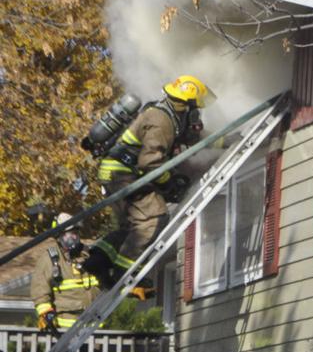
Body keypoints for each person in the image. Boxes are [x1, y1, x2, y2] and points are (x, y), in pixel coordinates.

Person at [83, 75, 211, 288]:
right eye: (196, 107)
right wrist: (169, 181)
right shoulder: (162, 121)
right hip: (122, 173)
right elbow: (149, 162)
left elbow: (194, 138)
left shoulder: (168, 115)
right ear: (186, 104)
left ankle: (99, 260)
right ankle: (126, 274)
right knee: (154, 216)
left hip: (115, 171)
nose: (197, 113)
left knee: (132, 226)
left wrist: (227, 139)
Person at [32, 213, 101, 334]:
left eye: (74, 233)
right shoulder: (49, 259)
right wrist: (45, 314)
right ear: (58, 237)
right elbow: (40, 292)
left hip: (93, 327)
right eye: (66, 235)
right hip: (64, 331)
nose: (71, 238)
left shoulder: (90, 254)